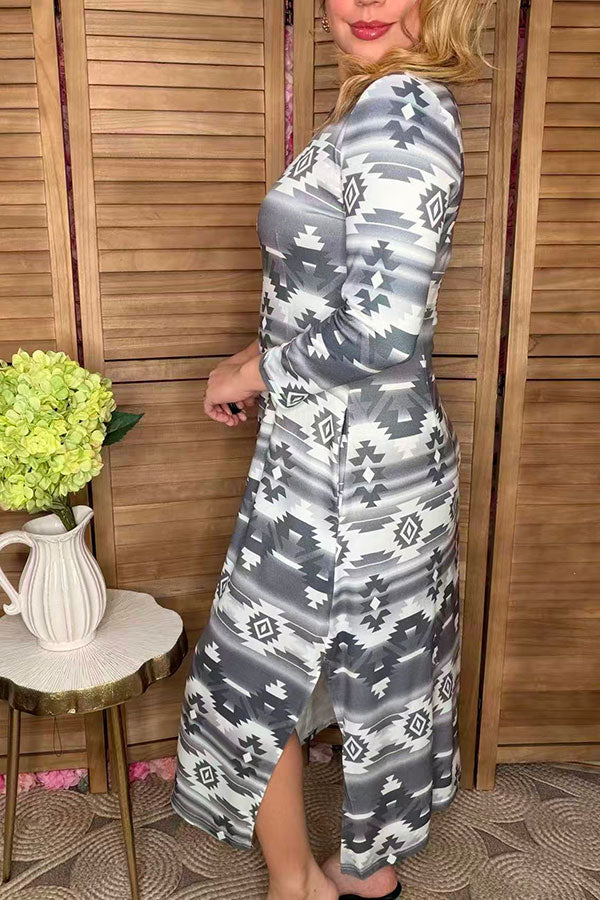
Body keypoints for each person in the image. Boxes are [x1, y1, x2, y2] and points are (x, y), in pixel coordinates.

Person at [171, 1, 491, 898]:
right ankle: (364, 875)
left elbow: (381, 330)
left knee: (254, 670)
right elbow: (328, 294)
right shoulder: (387, 106)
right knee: (375, 667)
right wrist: (252, 361)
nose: (364, 4)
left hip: (349, 472)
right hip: (344, 456)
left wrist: (252, 371)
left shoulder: (402, 110)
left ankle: (299, 884)